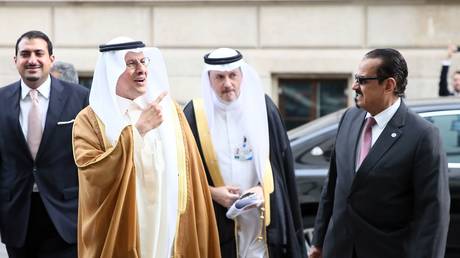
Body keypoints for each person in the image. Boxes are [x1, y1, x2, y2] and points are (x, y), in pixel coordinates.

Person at [71, 37, 221, 258]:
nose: (141, 69)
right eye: (131, 63)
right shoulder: (91, 120)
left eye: (143, 61)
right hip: (127, 224)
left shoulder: (169, 111)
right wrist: (137, 131)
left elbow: (191, 175)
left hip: (171, 222)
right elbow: (92, 173)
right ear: (112, 71)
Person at [309, 48, 450, 258]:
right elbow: (333, 186)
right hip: (338, 249)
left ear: (389, 85)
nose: (355, 86)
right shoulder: (349, 118)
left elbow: (432, 215)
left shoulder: (423, 135)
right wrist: (318, 242)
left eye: (363, 80)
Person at [183, 48, 307, 258]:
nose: (228, 83)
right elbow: (183, 173)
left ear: (242, 75)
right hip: (218, 219)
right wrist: (211, 192)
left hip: (260, 218)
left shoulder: (263, 108)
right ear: (209, 79)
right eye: (220, 77)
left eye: (233, 75)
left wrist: (263, 189)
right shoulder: (195, 115)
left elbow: (280, 165)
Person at [0, 30, 89, 258]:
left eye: (39, 53)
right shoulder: (1, 100)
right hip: (17, 215)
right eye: (25, 54)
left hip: (65, 215)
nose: (32, 60)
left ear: (51, 59)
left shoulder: (80, 98)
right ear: (16, 60)